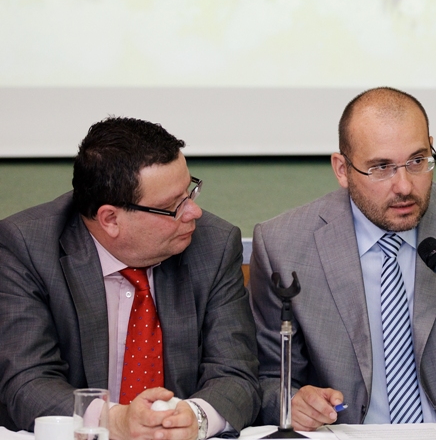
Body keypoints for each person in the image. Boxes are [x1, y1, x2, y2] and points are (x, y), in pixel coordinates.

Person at [250, 87, 436, 431]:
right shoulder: (283, 244)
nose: (404, 185)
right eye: (381, 167)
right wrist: (291, 403)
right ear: (342, 169)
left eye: (417, 161)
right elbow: (269, 378)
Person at [0, 117, 260, 440]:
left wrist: (196, 418)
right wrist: (115, 421)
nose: (194, 212)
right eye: (172, 206)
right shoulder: (28, 248)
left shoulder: (214, 245)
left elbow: (237, 374)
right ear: (110, 219)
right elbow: (26, 383)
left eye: (190, 191)